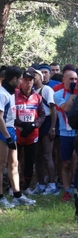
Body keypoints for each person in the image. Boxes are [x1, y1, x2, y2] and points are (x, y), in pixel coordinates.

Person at [0, 66, 36, 208]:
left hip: (10, 129)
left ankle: (17, 195)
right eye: (21, 78)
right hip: (1, 131)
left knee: (14, 163)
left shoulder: (11, 93)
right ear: (15, 79)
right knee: (0, 164)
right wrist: (7, 137)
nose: (22, 81)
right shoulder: (1, 94)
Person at [14, 71, 45, 194]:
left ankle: (26, 186)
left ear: (33, 82)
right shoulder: (14, 95)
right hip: (18, 133)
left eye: (30, 80)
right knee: (14, 160)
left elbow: (42, 115)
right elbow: (9, 114)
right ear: (21, 81)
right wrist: (21, 124)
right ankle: (14, 186)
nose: (28, 83)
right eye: (26, 80)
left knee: (29, 161)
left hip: (32, 134)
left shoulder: (38, 97)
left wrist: (33, 125)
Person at [29, 67, 58, 195]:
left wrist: (52, 127)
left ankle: (52, 185)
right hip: (36, 123)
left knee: (47, 155)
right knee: (38, 156)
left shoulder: (47, 90)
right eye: (31, 76)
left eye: (35, 75)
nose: (33, 78)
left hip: (46, 122)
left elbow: (53, 110)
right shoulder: (31, 92)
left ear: (41, 77)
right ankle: (40, 184)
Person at [53, 69, 78, 202]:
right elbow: (67, 108)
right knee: (66, 163)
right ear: (64, 80)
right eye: (71, 79)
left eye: (75, 79)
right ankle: (67, 190)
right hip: (65, 132)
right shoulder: (57, 94)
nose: (73, 82)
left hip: (77, 132)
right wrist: (74, 93)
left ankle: (75, 188)